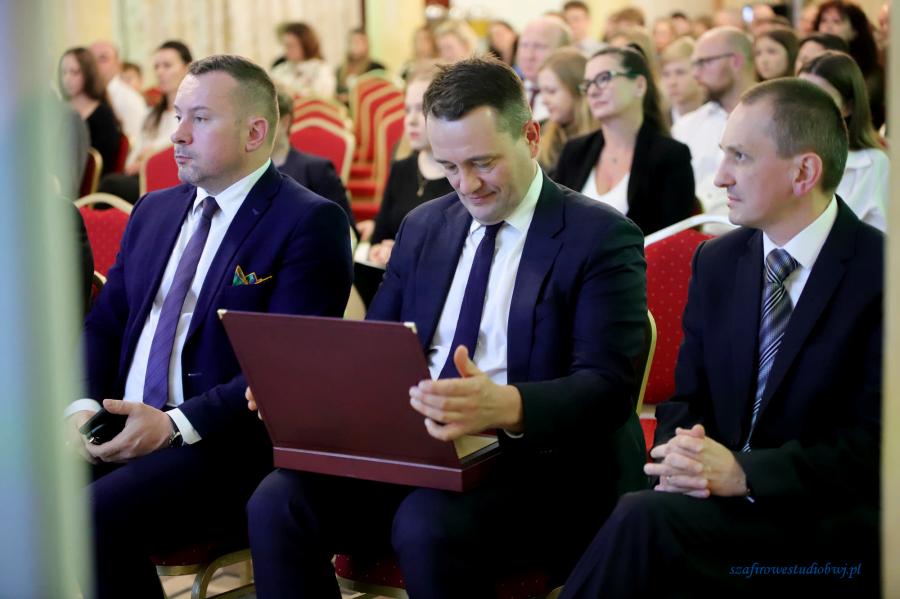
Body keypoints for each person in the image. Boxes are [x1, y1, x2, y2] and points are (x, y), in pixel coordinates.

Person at [246, 56, 648, 599]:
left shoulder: (599, 236)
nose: (467, 184)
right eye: (450, 166)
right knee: (278, 500)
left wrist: (505, 405)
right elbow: (377, 350)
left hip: (540, 468)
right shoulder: (424, 226)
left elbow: (608, 388)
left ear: (530, 137)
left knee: (425, 523)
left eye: (483, 162)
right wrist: (308, 392)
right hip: (422, 451)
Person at [558, 76, 882, 598]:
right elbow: (686, 399)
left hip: (822, 522)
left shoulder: (880, 274)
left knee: (643, 523)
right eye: (723, 154)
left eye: (740, 157)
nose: (720, 176)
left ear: (804, 171)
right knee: (636, 508)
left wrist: (745, 474)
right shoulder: (718, 260)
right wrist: (681, 458)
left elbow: (874, 448)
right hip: (717, 505)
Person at [67, 54, 352, 599]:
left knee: (91, 515)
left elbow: (283, 370)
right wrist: (80, 408)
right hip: (125, 423)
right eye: (178, 116)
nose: (177, 134)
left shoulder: (307, 221)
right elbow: (104, 324)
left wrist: (173, 425)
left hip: (222, 445)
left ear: (255, 132)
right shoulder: (153, 210)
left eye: (200, 119)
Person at [554, 47, 695, 235]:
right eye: (587, 84)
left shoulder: (670, 156)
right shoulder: (575, 151)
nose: (593, 91)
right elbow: (554, 223)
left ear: (639, 85)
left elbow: (673, 240)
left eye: (604, 78)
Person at [365, 68, 453, 267]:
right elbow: (379, 237)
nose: (410, 120)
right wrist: (379, 251)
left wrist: (401, 251)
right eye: (407, 110)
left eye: (421, 110)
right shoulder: (400, 169)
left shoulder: (460, 178)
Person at [672, 26, 757, 216]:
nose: (696, 74)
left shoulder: (774, 121)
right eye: (694, 64)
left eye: (704, 62)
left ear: (736, 61)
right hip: (693, 228)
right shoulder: (686, 126)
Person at [799, 51, 888, 232]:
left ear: (847, 107)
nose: (804, 108)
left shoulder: (873, 164)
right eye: (799, 95)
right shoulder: (779, 152)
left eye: (820, 99)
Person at [99, 41, 193, 203]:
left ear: (186, 68)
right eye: (156, 67)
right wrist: (140, 161)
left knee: (111, 184)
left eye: (167, 66)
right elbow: (132, 159)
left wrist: (149, 157)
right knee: (111, 184)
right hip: (141, 178)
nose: (160, 72)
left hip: (173, 182)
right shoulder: (151, 115)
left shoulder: (194, 114)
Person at [271, 90, 355, 228]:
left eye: (262, 121)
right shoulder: (245, 171)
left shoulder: (318, 170)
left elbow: (344, 230)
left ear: (284, 122)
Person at [814, 0, 885, 129]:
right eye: (823, 21)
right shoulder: (814, 62)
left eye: (837, 22)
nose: (828, 27)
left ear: (854, 31)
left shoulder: (871, 73)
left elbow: (860, 105)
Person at [58, 47, 122, 176]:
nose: (67, 79)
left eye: (75, 72)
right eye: (63, 73)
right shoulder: (59, 111)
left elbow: (102, 165)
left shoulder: (103, 115)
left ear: (88, 74)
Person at [535, 47, 597, 172]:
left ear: (578, 91)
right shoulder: (540, 132)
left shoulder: (603, 137)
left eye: (551, 91)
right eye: (542, 91)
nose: (544, 100)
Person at [90, 41, 147, 146]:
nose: (95, 64)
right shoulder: (88, 97)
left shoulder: (129, 99)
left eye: (103, 59)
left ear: (118, 65)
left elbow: (135, 144)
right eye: (91, 59)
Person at [517, 16, 573, 122]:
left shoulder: (572, 101)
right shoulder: (508, 94)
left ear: (563, 51)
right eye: (524, 45)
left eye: (539, 46)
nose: (529, 56)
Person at [271, 22, 336, 98]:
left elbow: (321, 97)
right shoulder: (280, 69)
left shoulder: (321, 69)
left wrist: (289, 91)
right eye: (286, 45)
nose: (287, 50)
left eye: (291, 45)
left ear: (306, 44)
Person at [660, 36, 706, 124]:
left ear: (699, 73)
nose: (672, 82)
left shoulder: (720, 117)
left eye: (680, 73)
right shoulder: (658, 123)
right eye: (666, 74)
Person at [335, 28, 386, 105]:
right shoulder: (340, 71)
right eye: (351, 41)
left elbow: (380, 94)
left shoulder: (376, 68)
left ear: (366, 44)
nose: (355, 46)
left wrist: (351, 98)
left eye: (358, 42)